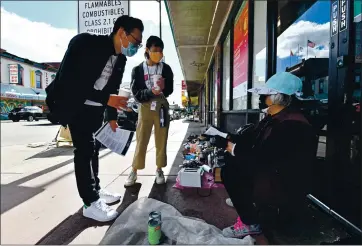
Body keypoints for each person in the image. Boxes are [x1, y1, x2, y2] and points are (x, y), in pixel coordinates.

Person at [45, 15, 144, 222]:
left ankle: (96, 191)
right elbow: (71, 83)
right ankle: (89, 203)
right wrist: (107, 98)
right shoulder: (86, 44)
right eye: (135, 42)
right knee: (84, 150)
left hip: (96, 108)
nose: (136, 47)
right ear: (121, 33)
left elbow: (113, 88)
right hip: (75, 105)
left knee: (93, 149)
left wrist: (112, 116)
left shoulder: (121, 59)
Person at [213, 72, 317, 240]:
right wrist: (227, 138)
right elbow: (252, 138)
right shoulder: (274, 117)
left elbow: (260, 158)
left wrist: (229, 147)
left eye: (266, 94)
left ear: (278, 97)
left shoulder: (292, 125)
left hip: (283, 184)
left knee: (230, 171)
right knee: (231, 160)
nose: (262, 97)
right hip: (271, 172)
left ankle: (250, 221)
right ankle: (245, 202)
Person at [126, 36, 174, 187]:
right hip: (145, 106)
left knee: (162, 139)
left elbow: (170, 90)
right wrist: (150, 91)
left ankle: (159, 169)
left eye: (160, 51)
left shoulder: (166, 69)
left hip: (161, 106)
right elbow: (136, 93)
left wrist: (164, 86)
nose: (158, 54)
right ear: (147, 50)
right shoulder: (138, 70)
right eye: (155, 51)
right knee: (141, 139)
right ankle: (134, 170)